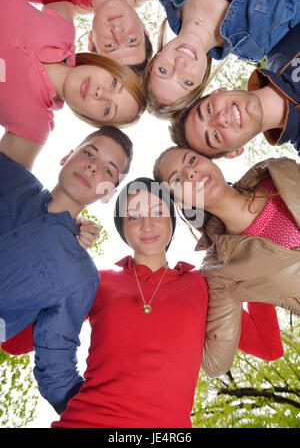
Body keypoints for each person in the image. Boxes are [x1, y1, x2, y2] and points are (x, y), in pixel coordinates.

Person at [2, 178, 284, 427]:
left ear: (172, 221)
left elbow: (267, 345)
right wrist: (60, 249)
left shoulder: (203, 284)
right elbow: (14, 341)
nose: (147, 224)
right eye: (133, 215)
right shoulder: (96, 281)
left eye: (158, 212)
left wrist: (252, 258)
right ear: (122, 227)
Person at [0, 126, 133, 414]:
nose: (93, 167)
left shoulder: (80, 277)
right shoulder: (11, 178)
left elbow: (56, 370)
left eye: (108, 171)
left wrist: (110, 417)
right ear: (66, 156)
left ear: (108, 194)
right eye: (89, 153)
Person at [153, 146, 300, 377]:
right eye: (178, 179)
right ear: (180, 202)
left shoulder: (277, 170)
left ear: (209, 160)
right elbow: (214, 363)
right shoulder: (222, 272)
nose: (191, 173)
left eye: (191, 160)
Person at [0, 0, 146, 170]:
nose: (100, 93)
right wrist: (131, 1)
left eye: (108, 108)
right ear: (104, 65)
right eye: (113, 83)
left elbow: (7, 185)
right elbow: (76, 2)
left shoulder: (34, 125)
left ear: (91, 119)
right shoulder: (63, 30)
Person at [143, 0, 300, 117]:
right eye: (186, 81)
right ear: (201, 81)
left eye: (163, 71)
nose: (180, 64)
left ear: (155, 60)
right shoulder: (254, 44)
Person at [170, 22, 300, 159]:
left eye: (208, 110)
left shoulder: (282, 37)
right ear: (235, 151)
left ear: (218, 91)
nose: (220, 119)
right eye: (215, 136)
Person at [0, 0, 156, 73]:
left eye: (110, 45)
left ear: (91, 40)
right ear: (143, 29)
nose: (117, 31)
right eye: (131, 41)